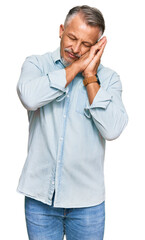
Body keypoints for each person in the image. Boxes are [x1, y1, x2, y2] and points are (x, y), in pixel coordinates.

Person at [16, 5, 128, 240]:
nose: (76, 49)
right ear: (61, 30)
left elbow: (113, 128)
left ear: (97, 45)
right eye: (72, 38)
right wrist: (78, 66)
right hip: (40, 202)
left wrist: (89, 77)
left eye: (86, 45)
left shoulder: (108, 79)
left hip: (88, 205)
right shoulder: (36, 65)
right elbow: (29, 97)